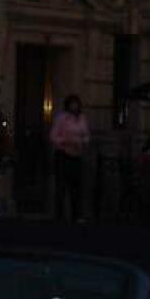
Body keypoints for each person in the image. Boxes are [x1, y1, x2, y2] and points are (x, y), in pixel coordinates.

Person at [49, 94, 89, 222]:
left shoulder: (82, 118)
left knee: (76, 188)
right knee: (61, 188)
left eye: (76, 104)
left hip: (77, 156)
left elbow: (87, 135)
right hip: (63, 156)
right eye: (72, 104)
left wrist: (82, 142)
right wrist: (65, 141)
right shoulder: (62, 118)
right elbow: (53, 136)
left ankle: (76, 216)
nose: (74, 106)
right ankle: (59, 216)